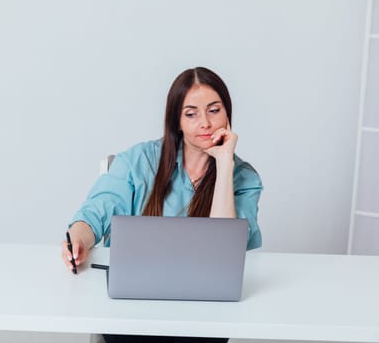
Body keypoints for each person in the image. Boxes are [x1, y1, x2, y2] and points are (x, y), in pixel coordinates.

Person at [61, 67, 263, 343]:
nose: (205, 122)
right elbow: (98, 210)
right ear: (176, 120)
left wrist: (224, 162)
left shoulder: (243, 177)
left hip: (203, 314)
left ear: (227, 114)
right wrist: (79, 239)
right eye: (191, 114)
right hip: (131, 312)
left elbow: (226, 249)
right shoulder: (139, 160)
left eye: (214, 111)